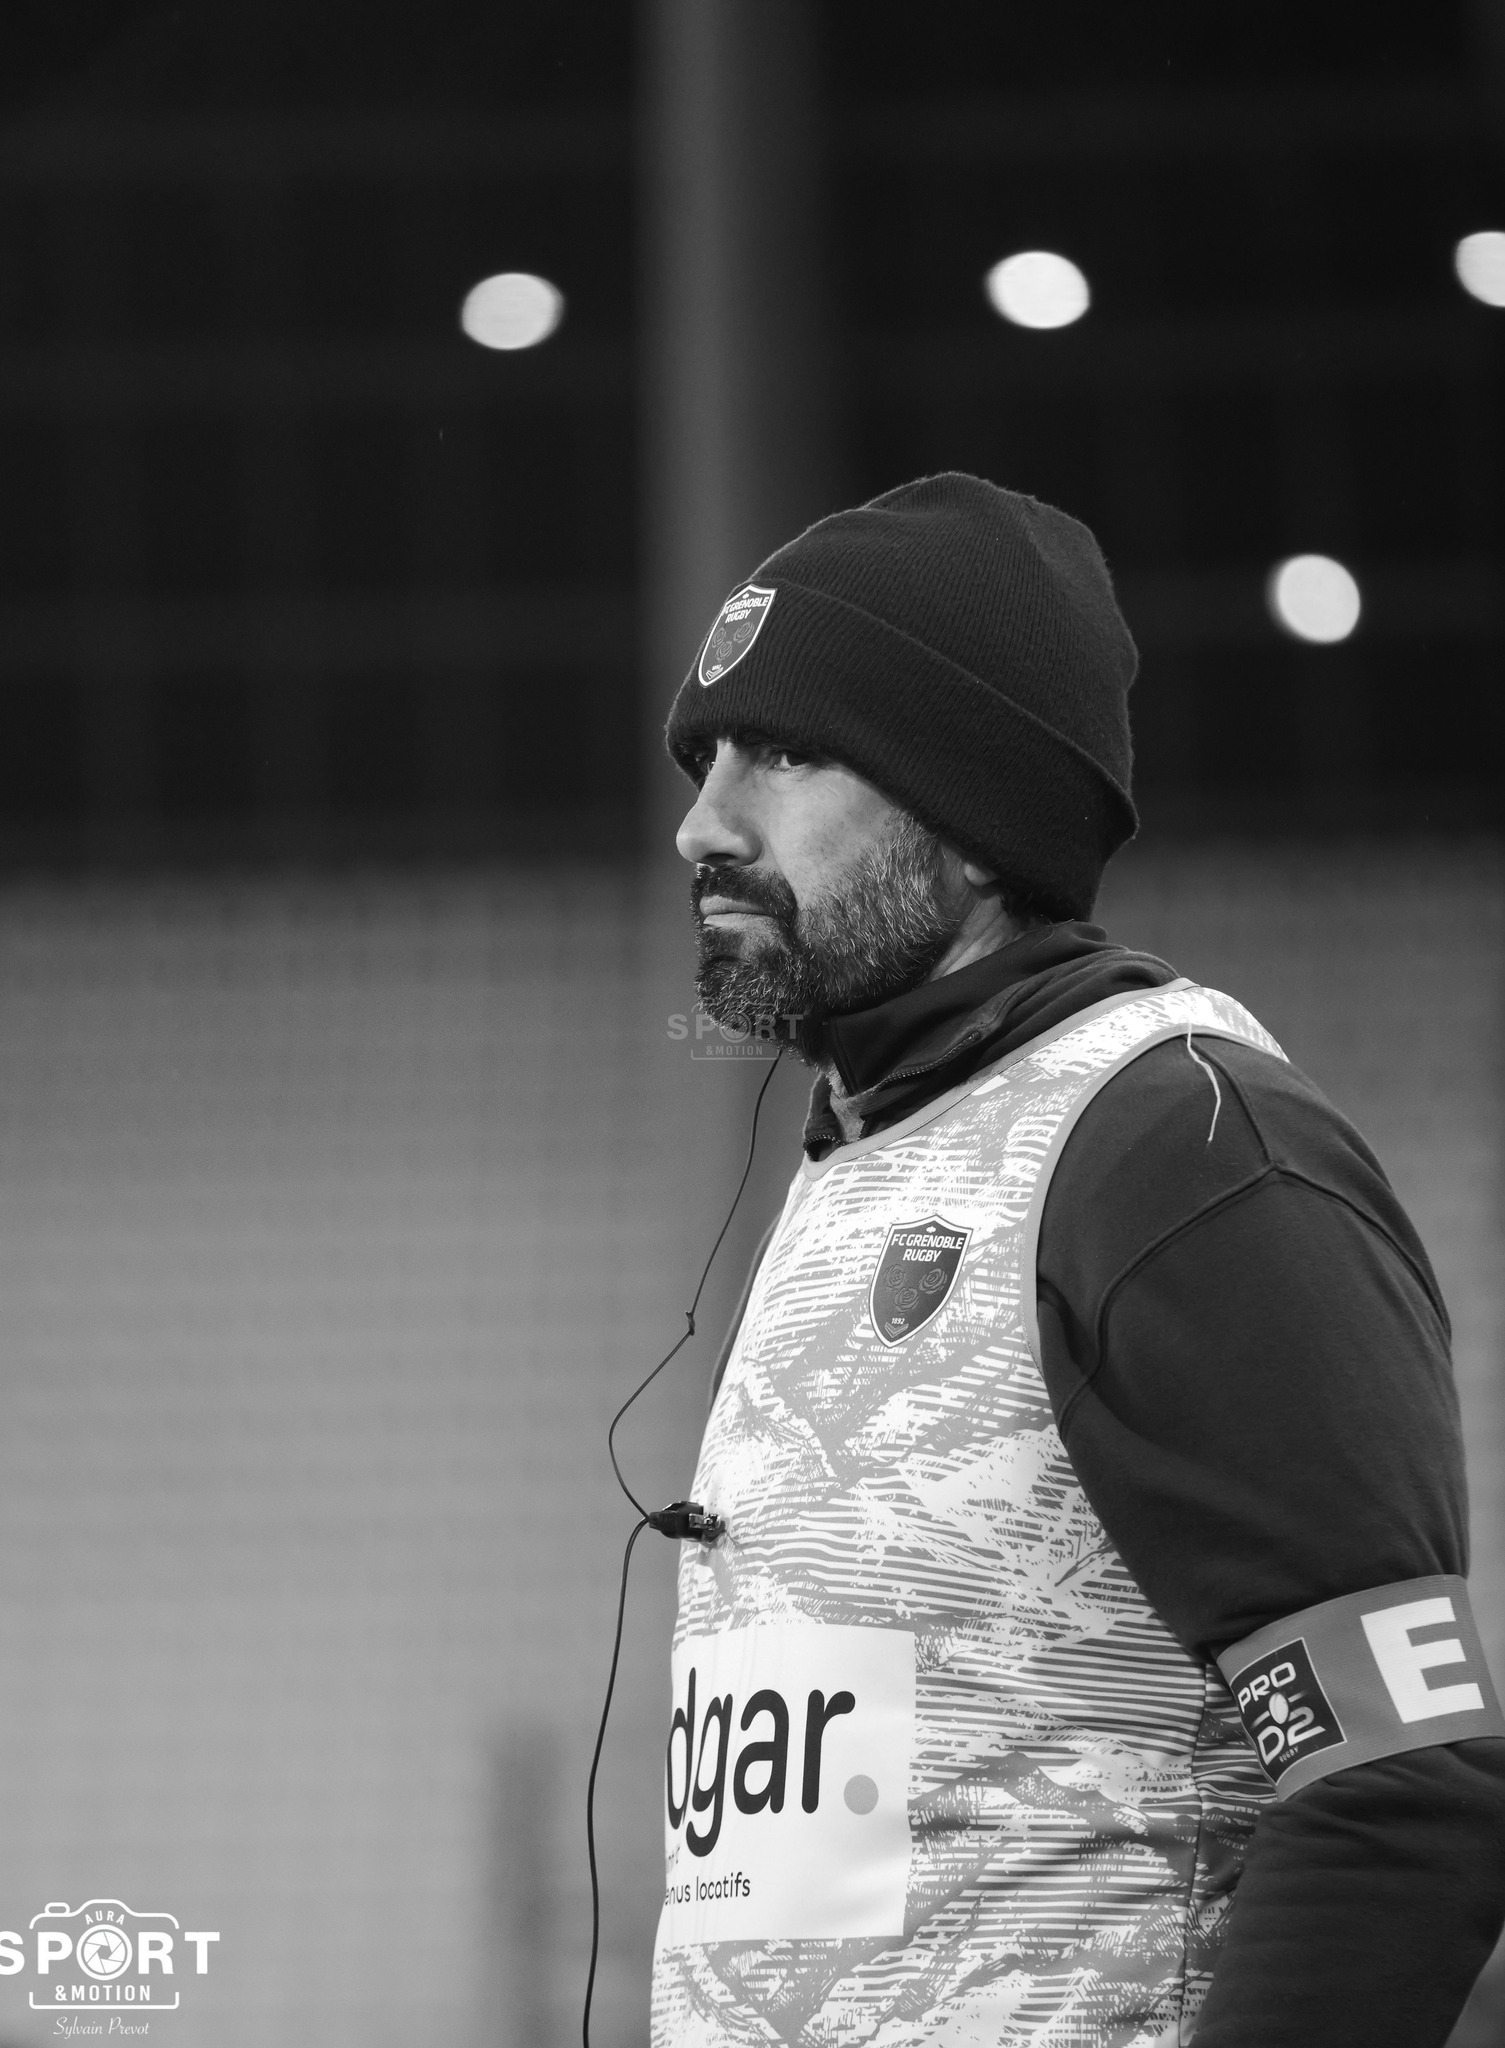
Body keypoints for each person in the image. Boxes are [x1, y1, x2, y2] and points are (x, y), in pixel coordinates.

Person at [648, 472, 1505, 2048]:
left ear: (973, 816)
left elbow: (1403, 1778)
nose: (703, 823)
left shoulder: (1176, 1149)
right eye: (705, 760)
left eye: (784, 753)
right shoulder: (875, 1153)